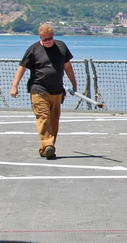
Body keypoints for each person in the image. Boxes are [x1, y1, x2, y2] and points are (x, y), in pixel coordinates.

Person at [9, 24, 77, 160]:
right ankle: (48, 145)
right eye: (45, 39)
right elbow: (22, 68)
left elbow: (67, 66)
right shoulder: (33, 50)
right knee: (43, 118)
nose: (48, 41)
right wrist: (14, 86)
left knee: (54, 122)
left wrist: (74, 84)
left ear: (53, 36)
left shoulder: (61, 47)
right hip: (38, 89)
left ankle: (46, 148)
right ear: (40, 38)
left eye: (50, 38)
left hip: (57, 91)